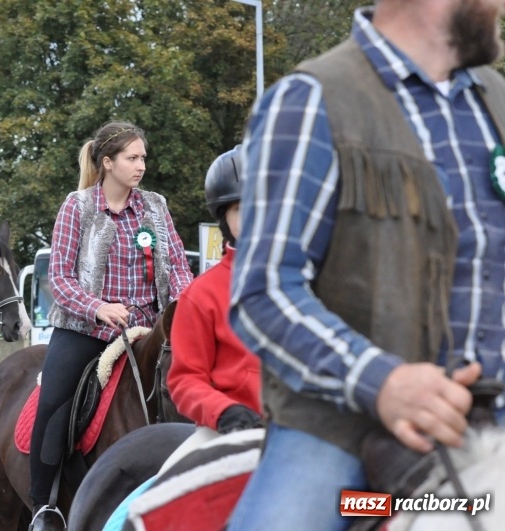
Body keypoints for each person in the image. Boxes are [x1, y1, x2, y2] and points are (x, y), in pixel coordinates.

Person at [228, 2, 505, 530]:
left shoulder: (498, 101)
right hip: (343, 430)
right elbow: (265, 290)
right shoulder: (311, 100)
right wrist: (385, 383)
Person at [28, 121, 193, 531]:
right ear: (108, 162)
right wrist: (98, 307)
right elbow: (60, 279)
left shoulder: (156, 205)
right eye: (132, 158)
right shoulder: (78, 206)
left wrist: (185, 311)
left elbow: (178, 270)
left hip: (148, 330)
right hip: (87, 329)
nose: (141, 166)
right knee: (53, 401)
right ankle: (43, 507)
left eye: (143, 158)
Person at [161, 146, 262, 470]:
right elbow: (185, 379)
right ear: (225, 219)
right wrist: (224, 411)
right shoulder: (201, 295)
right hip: (229, 431)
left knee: (379, 507)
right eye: (242, 209)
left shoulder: (314, 284)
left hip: (309, 431)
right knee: (166, 506)